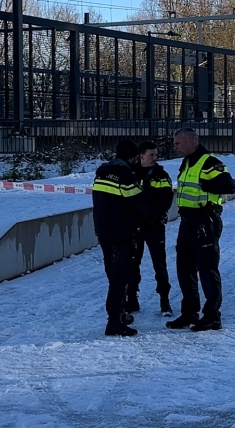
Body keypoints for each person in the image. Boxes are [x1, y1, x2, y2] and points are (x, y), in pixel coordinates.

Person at [166, 128, 235, 332]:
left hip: (205, 221)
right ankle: (189, 313)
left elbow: (228, 186)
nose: (175, 147)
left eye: (178, 143)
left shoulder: (208, 162)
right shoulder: (188, 161)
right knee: (184, 269)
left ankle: (212, 316)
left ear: (190, 141)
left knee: (207, 269)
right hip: (188, 221)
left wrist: (206, 186)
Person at [92, 139, 145, 337]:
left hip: (103, 230)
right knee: (120, 277)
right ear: (132, 157)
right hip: (121, 232)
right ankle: (114, 320)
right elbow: (139, 202)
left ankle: (119, 314)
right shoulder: (126, 175)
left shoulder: (102, 172)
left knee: (112, 273)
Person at [125, 141, 175, 316]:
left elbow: (166, 200)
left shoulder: (161, 175)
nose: (155, 158)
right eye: (151, 155)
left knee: (159, 264)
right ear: (141, 156)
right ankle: (132, 299)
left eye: (156, 154)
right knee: (132, 264)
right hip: (134, 226)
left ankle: (164, 301)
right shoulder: (130, 174)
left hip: (154, 226)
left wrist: (152, 215)